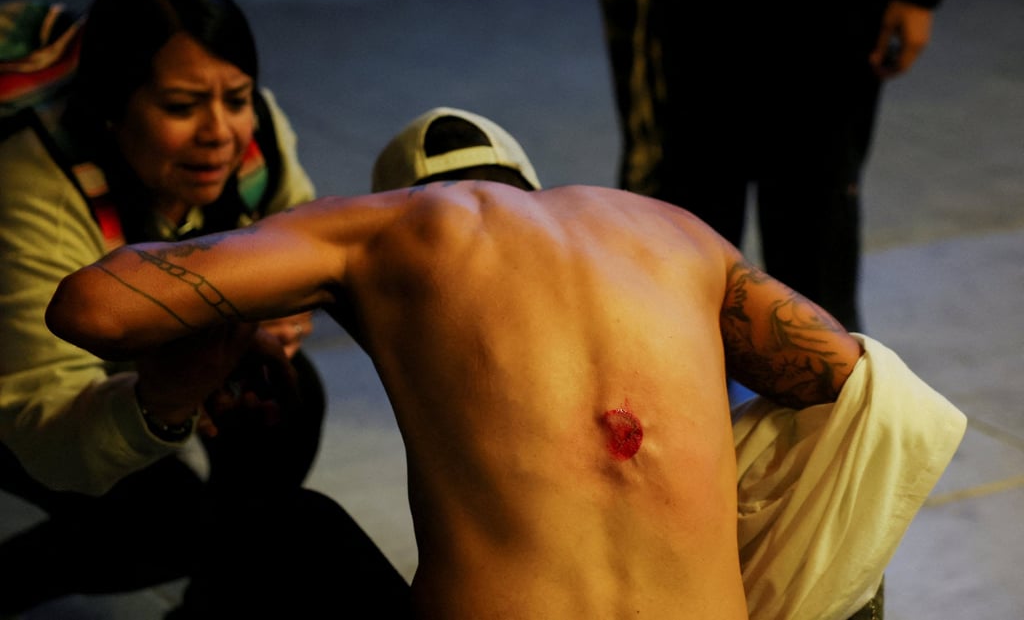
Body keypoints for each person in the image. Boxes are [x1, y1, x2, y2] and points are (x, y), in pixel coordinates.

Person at [45, 108, 966, 620]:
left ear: (404, 190)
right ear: (530, 184)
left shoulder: (381, 228)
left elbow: (94, 306)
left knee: (280, 530)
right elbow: (852, 384)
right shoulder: (668, 232)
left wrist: (259, 284)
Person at [0, 0, 408, 617]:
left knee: (282, 403)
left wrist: (283, 310)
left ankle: (216, 600)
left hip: (147, 360)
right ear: (111, 108)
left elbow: (300, 231)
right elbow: (39, 422)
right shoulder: (40, 190)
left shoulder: (253, 135)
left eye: (237, 97)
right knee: (162, 525)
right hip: (19, 378)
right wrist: (159, 399)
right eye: (181, 107)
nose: (219, 131)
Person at [590, 0, 971, 333]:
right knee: (679, 241)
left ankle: (821, 389)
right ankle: (670, 382)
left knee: (814, 229)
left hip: (827, 5)